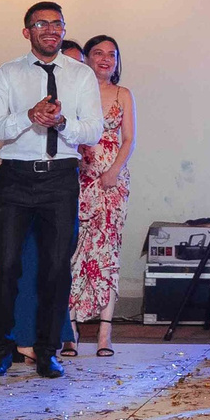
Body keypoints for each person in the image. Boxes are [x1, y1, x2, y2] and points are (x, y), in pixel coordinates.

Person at [0, 2, 99, 378]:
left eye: (57, 23)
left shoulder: (81, 76)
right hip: (15, 177)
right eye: (41, 23)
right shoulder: (8, 74)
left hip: (60, 178)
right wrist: (27, 117)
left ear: (64, 29)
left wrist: (62, 123)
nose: (50, 29)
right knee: (7, 265)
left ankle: (47, 351)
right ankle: (2, 349)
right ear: (27, 31)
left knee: (56, 267)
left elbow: (93, 131)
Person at [71, 34, 134, 358]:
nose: (106, 59)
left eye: (112, 53)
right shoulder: (77, 92)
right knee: (75, 253)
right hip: (79, 178)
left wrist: (113, 173)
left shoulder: (123, 94)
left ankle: (105, 334)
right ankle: (69, 332)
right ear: (87, 57)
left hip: (113, 182)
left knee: (107, 252)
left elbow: (129, 139)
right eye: (98, 53)